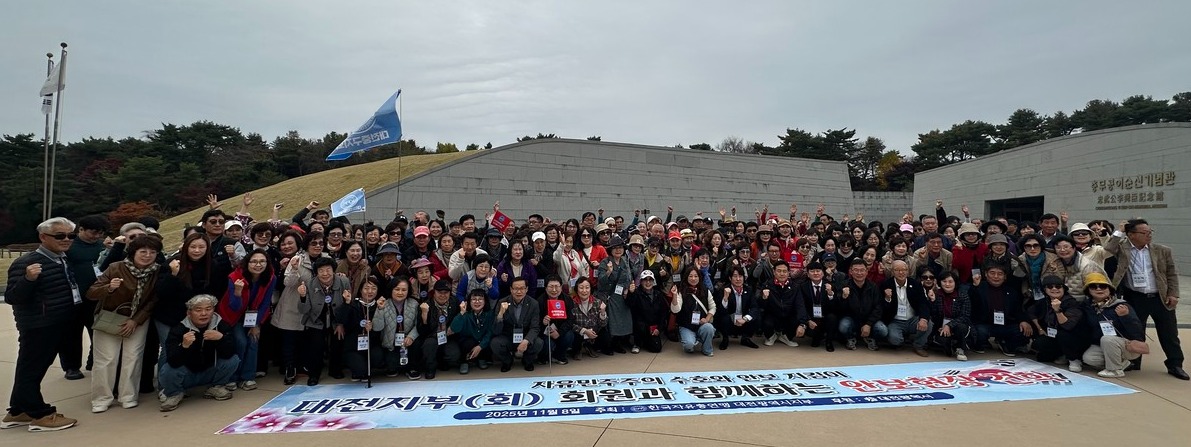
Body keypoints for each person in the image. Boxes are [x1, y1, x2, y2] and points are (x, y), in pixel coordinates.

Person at [2, 218, 81, 431]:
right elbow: (12, 297)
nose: (66, 240)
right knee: (31, 370)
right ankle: (40, 414)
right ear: (43, 237)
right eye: (60, 236)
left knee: (32, 368)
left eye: (70, 235)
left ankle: (19, 411)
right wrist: (28, 279)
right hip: (39, 326)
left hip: (57, 322)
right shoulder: (26, 263)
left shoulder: (60, 258)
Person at [85, 234, 164, 413]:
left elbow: (153, 300)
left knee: (133, 357)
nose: (147, 255)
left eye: (152, 252)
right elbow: (91, 292)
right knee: (106, 359)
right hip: (111, 317)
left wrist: (136, 320)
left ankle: (128, 395)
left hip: (138, 320)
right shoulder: (116, 267)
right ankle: (102, 398)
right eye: (143, 251)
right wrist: (110, 288)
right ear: (133, 252)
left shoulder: (157, 271)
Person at [1103, 219, 1186, 380]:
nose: (1149, 235)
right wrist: (1119, 232)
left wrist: (1173, 294)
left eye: (1150, 232)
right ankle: (1135, 361)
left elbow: (1171, 273)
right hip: (1135, 297)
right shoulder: (1123, 248)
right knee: (1135, 330)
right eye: (1144, 232)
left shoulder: (1161, 250)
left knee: (1169, 333)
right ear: (1131, 235)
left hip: (1160, 298)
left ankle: (1175, 364)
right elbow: (1108, 249)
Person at [158, 294, 238, 411]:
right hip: (187, 375)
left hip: (209, 371)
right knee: (167, 370)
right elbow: (172, 361)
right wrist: (184, 346)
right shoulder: (178, 329)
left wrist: (221, 339)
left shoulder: (221, 325)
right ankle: (174, 393)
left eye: (208, 309)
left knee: (233, 360)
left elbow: (230, 353)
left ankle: (216, 387)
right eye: (198, 310)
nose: (204, 314)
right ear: (189, 313)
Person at [61, 214, 109, 380]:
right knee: (71, 334)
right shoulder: (69, 246)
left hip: (95, 297)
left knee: (97, 332)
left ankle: (93, 360)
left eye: (99, 233)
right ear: (80, 229)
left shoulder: (102, 246)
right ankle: (71, 367)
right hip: (72, 298)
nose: (96, 236)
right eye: (93, 232)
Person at [1080, 273, 1146, 378]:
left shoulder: (1121, 305)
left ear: (1109, 289)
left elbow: (1137, 331)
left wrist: (1125, 317)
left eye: (1102, 286)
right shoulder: (1088, 307)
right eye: (1093, 287)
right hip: (1102, 345)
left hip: (1126, 345)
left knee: (1107, 339)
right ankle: (1122, 364)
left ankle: (1115, 370)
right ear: (1088, 291)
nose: (1099, 289)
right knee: (1089, 358)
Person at [1029, 275, 1091, 372]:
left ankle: (1074, 359)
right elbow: (1031, 312)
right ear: (1045, 290)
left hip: (1073, 337)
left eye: (1058, 286)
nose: (1054, 289)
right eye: (1050, 287)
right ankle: (1062, 354)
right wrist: (1039, 328)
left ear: (1063, 288)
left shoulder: (1071, 303)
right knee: (1040, 348)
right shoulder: (1044, 302)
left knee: (1063, 335)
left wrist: (1057, 310)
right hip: (1053, 335)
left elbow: (1067, 325)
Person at [970, 265, 1029, 357]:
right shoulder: (979, 287)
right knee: (979, 331)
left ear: (1005, 277)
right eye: (992, 273)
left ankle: (1005, 343)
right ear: (986, 274)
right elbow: (972, 303)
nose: (996, 276)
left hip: (1006, 324)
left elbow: (1018, 310)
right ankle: (982, 343)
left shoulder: (1011, 291)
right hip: (986, 324)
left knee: (1023, 330)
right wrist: (975, 287)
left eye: (1000, 274)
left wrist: (1023, 321)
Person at [880, 260, 933, 357]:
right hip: (895, 321)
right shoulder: (886, 285)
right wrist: (887, 299)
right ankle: (902, 340)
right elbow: (882, 308)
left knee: (928, 324)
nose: (901, 272)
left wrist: (923, 319)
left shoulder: (915, 284)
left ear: (908, 271)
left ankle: (918, 345)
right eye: (897, 270)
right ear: (892, 271)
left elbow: (923, 303)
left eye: (904, 270)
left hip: (912, 319)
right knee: (895, 340)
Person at [491, 277, 542, 372]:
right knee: (495, 343)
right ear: (511, 289)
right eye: (516, 288)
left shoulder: (533, 303)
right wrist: (500, 314)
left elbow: (535, 327)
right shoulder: (502, 302)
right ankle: (507, 361)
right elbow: (496, 330)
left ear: (526, 289)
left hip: (525, 336)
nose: (519, 291)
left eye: (522, 288)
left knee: (538, 343)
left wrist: (526, 340)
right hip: (508, 337)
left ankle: (527, 361)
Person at [338, 276, 383, 381]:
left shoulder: (379, 306)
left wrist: (373, 328)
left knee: (378, 357)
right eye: (366, 288)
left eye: (374, 288)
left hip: (372, 345)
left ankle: (366, 369)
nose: (370, 291)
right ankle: (359, 370)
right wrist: (347, 303)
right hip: (353, 347)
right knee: (359, 369)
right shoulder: (353, 304)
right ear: (360, 290)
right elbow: (341, 319)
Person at [416, 279, 462, 379]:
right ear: (434, 292)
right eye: (439, 292)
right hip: (431, 336)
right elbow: (422, 332)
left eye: (446, 292)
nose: (443, 295)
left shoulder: (454, 303)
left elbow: (458, 324)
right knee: (429, 345)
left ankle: (443, 361)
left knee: (454, 354)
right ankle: (430, 368)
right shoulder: (426, 305)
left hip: (449, 336)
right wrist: (424, 316)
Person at [596, 235, 634, 353]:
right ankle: (608, 345)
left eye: (620, 248)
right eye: (615, 248)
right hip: (609, 295)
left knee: (623, 320)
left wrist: (628, 289)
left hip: (622, 295)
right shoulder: (605, 262)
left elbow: (629, 277)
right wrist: (608, 272)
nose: (618, 250)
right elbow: (600, 281)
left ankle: (618, 342)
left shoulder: (624, 261)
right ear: (610, 250)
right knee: (611, 321)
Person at [380, 277, 422, 379]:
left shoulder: (414, 304)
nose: (400, 292)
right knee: (392, 365)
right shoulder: (384, 304)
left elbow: (418, 325)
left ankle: (412, 368)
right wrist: (379, 310)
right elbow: (377, 327)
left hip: (408, 340)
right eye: (397, 289)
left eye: (404, 290)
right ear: (391, 289)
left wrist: (411, 337)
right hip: (391, 341)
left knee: (417, 342)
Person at [669, 266, 717, 356]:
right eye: (690, 276)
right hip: (686, 326)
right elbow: (675, 310)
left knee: (709, 328)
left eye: (696, 276)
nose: (693, 278)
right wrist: (674, 296)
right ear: (686, 277)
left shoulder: (705, 290)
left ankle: (707, 349)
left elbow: (713, 307)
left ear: (699, 277)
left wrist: (707, 319)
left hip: (701, 324)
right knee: (689, 346)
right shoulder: (681, 291)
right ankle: (692, 339)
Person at [927, 271, 972, 361]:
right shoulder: (936, 294)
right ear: (940, 282)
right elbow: (933, 316)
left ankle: (960, 348)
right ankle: (951, 346)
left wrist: (949, 325)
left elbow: (965, 316)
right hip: (941, 327)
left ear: (955, 282)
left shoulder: (963, 295)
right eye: (944, 281)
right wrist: (932, 301)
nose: (947, 284)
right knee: (944, 344)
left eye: (950, 281)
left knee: (961, 327)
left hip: (958, 326)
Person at [714, 266, 761, 350]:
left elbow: (755, 307)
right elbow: (720, 310)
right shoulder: (723, 289)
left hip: (743, 321)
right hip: (729, 322)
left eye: (740, 276)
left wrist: (745, 319)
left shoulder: (749, 290)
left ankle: (745, 338)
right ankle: (725, 339)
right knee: (722, 317)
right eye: (735, 276)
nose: (738, 279)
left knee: (756, 316)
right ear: (730, 278)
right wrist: (725, 298)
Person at [452, 289, 496, 373]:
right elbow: (454, 329)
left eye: (480, 299)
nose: (477, 302)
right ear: (469, 301)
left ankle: (481, 358)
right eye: (473, 299)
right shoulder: (464, 313)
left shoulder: (490, 314)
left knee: (488, 341)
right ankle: (464, 361)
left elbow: (490, 332)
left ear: (485, 301)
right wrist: (461, 313)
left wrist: (480, 346)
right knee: (468, 342)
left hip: (482, 342)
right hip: (467, 343)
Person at [800, 262, 840, 352]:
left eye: (818, 271)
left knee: (832, 317)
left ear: (822, 273)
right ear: (808, 274)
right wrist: (808, 320)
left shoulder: (830, 286)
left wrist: (830, 294)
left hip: (825, 317)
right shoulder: (803, 287)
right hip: (811, 317)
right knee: (812, 333)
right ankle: (817, 337)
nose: (816, 273)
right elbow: (801, 306)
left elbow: (835, 308)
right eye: (812, 271)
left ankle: (829, 341)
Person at [627, 270, 669, 353]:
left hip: (653, 328)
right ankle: (637, 343)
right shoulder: (636, 293)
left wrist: (659, 329)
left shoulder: (658, 294)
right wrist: (631, 293)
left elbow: (664, 313)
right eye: (645, 280)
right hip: (640, 327)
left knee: (656, 348)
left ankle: (646, 341)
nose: (648, 282)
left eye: (650, 280)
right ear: (641, 281)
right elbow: (630, 304)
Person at [536, 276, 574, 364]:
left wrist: (559, 332)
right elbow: (535, 322)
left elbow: (571, 319)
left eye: (557, 286)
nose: (554, 290)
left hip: (561, 330)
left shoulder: (567, 299)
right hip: (545, 332)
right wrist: (543, 322)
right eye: (551, 286)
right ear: (545, 288)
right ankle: (543, 357)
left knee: (569, 336)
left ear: (561, 287)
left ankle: (559, 356)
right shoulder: (539, 301)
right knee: (545, 344)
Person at [570, 277, 609, 359]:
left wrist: (602, 312)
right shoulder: (571, 303)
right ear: (577, 289)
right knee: (571, 335)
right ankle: (577, 349)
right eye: (581, 288)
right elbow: (570, 324)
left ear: (591, 289)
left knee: (605, 336)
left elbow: (603, 324)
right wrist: (584, 331)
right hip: (579, 333)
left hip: (593, 332)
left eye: (587, 287)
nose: (584, 291)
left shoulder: (597, 302)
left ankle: (590, 347)